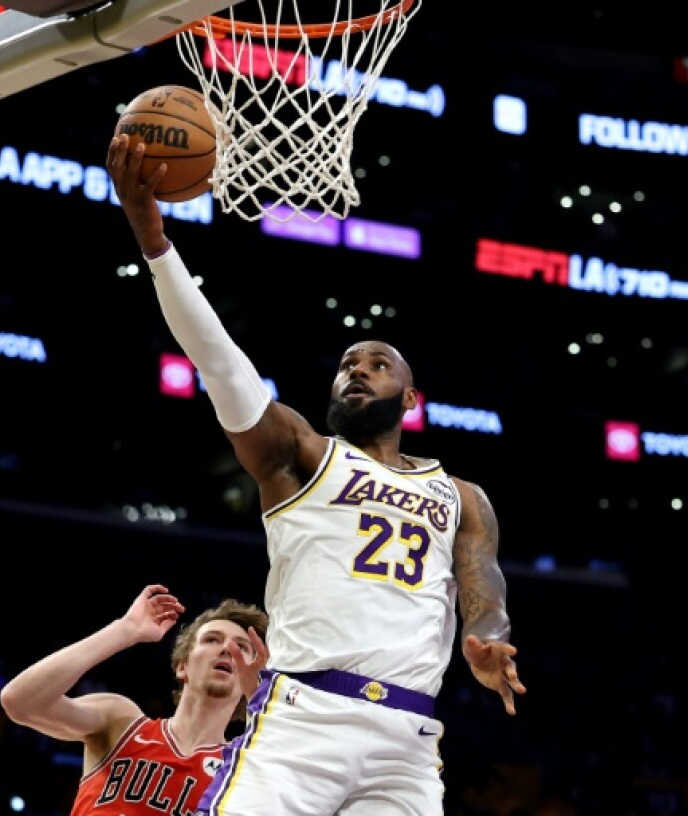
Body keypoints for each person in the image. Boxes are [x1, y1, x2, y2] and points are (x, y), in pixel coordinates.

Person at [105, 133, 529, 816]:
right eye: (346, 364)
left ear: (411, 399)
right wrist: (154, 240)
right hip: (302, 720)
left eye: (377, 363)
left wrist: (492, 641)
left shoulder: (461, 495)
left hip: (407, 739)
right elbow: (220, 363)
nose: (356, 369)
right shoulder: (300, 454)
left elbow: (483, 587)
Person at [0, 584, 269, 816]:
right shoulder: (120, 721)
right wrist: (125, 629)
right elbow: (20, 701)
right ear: (182, 666)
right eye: (212, 639)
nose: (226, 649)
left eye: (241, 647)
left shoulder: (244, 768)